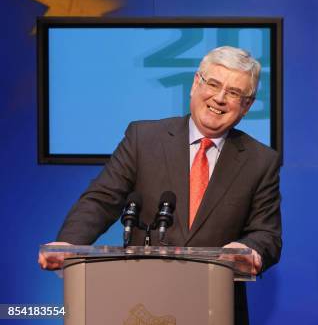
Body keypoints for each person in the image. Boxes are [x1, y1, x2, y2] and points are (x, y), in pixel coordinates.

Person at [38, 46, 282, 325]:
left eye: (234, 93)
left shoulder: (260, 161)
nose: (220, 98)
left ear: (247, 106)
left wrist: (248, 249)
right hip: (142, 303)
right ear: (195, 84)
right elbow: (102, 198)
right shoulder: (144, 138)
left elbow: (267, 233)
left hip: (216, 307)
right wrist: (70, 242)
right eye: (213, 84)